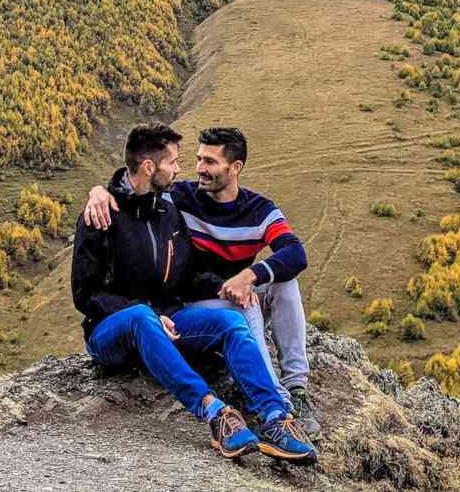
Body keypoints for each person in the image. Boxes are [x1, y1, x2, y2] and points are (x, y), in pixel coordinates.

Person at [71, 123, 318, 464]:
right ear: (148, 168)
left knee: (231, 321)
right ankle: (215, 413)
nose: (182, 169)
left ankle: (275, 415)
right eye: (174, 162)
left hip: (168, 318)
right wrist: (98, 190)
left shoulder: (168, 210)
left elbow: (186, 276)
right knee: (142, 317)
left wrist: (233, 286)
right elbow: (86, 295)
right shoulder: (101, 215)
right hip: (112, 330)